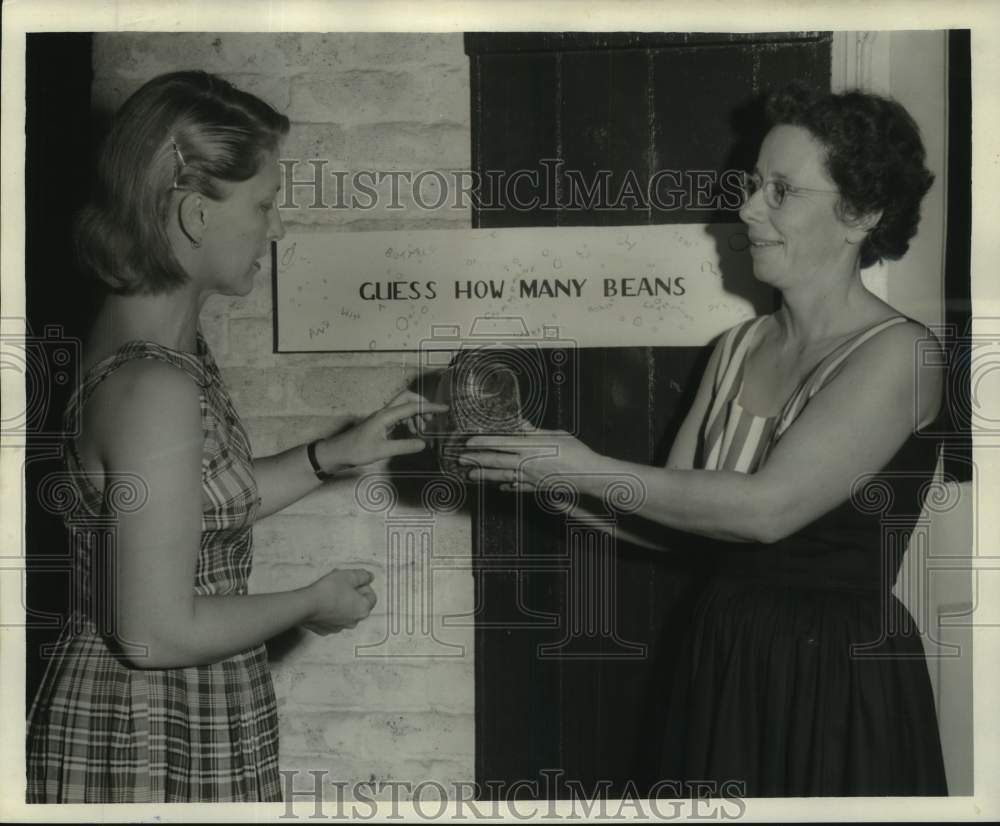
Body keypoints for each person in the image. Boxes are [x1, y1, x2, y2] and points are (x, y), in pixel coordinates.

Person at [459, 85, 949, 796]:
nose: (748, 209)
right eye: (753, 185)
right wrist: (543, 473)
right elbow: (683, 525)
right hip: (723, 651)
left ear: (862, 214)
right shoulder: (738, 345)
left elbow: (764, 511)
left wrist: (587, 468)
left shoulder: (899, 353)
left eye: (781, 191)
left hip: (833, 673)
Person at [25, 71, 446, 803]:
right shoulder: (154, 384)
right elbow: (156, 633)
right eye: (263, 204)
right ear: (194, 214)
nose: (275, 228)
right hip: (144, 726)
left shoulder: (156, 347)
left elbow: (182, 516)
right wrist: (311, 603)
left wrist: (327, 457)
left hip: (176, 707)